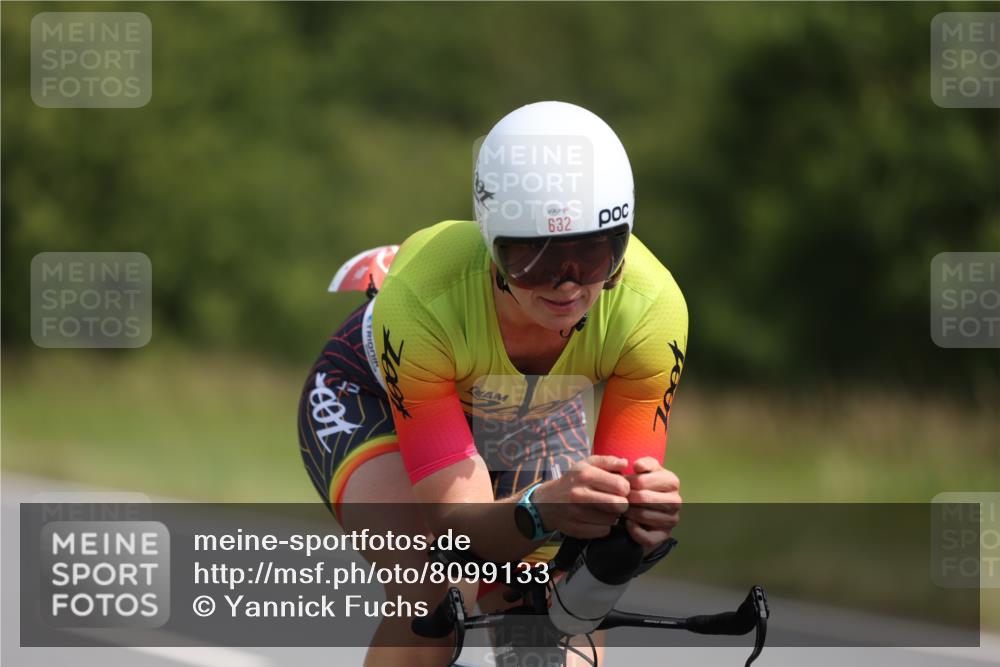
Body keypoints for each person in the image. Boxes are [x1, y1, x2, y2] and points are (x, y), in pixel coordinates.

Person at [298, 101, 688, 666]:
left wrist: (631, 523)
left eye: (592, 253)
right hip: (372, 393)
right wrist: (542, 510)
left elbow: (607, 534)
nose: (566, 285)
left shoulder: (652, 311)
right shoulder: (422, 301)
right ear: (491, 246)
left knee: (549, 613)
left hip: (530, 407)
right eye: (533, 258)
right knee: (432, 590)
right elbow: (458, 527)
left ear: (622, 240)